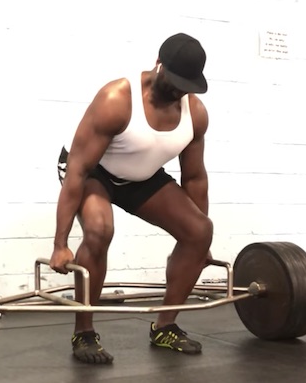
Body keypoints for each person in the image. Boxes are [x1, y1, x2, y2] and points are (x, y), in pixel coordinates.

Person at [50, 32, 213, 364]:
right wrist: (60, 242)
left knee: (199, 231)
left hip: (142, 177)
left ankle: (165, 326)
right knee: (98, 230)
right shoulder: (117, 100)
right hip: (94, 173)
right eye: (175, 81)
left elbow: (194, 177)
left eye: (187, 85)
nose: (180, 91)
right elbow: (78, 170)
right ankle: (84, 332)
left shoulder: (195, 114)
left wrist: (200, 244)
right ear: (158, 64)